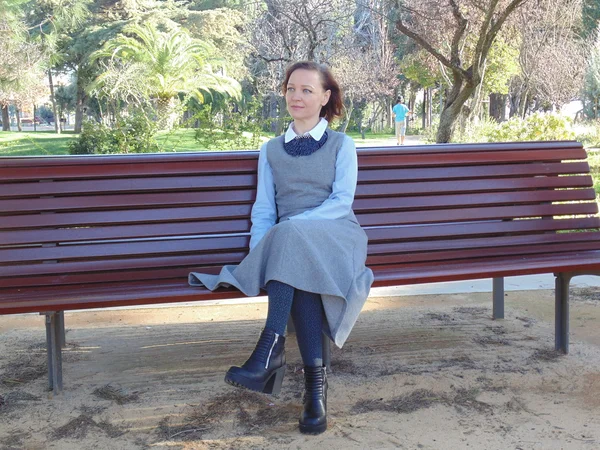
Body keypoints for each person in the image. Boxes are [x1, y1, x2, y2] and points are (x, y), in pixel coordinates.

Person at [189, 61, 374, 435]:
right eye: (291, 88)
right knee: (294, 262)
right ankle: (314, 396)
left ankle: (268, 352)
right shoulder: (270, 149)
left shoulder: (343, 144)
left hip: (336, 236)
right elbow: (263, 209)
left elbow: (342, 201)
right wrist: (264, 252)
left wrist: (288, 231)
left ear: (325, 98)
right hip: (290, 246)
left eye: (307, 90)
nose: (297, 96)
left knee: (290, 237)